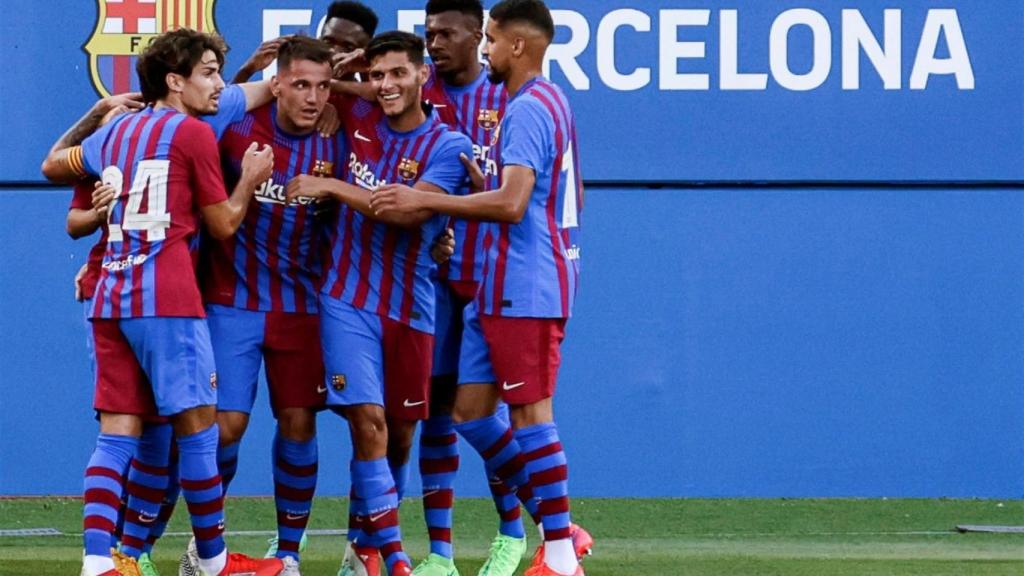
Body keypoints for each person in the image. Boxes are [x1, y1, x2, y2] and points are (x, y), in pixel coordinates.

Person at [41, 28, 283, 576]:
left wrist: (96, 113)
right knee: (198, 430)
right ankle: (214, 561)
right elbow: (223, 224)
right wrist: (249, 179)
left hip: (110, 299)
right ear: (175, 81)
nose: (218, 84)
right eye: (209, 73)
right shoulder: (191, 133)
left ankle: (98, 562)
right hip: (168, 300)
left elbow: (53, 165)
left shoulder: (112, 132)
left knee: (117, 435)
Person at [369, 1, 588, 574]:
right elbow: (562, 194)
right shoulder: (548, 100)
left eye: (490, 39)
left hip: (526, 282)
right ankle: (560, 527)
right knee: (469, 413)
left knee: (531, 414)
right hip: (500, 281)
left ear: (517, 45)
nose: (486, 49)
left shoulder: (527, 109)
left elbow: (513, 204)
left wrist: (426, 199)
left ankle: (559, 553)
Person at [285, 30, 473, 576]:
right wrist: (345, 78)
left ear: (423, 76)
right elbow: (304, 85)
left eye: (397, 74)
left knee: (400, 436)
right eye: (377, 76)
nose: (385, 85)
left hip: (412, 307)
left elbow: (404, 212)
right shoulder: (358, 114)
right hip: (346, 299)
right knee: (368, 423)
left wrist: (333, 188)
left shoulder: (449, 146)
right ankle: (395, 558)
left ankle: (362, 545)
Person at [200, 35, 342, 575]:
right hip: (231, 298)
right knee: (225, 427)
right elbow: (200, 121)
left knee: (299, 423)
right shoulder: (238, 129)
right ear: (276, 84)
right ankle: (208, 546)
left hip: (301, 304)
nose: (312, 97)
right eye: (301, 84)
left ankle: (288, 553)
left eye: (322, 87)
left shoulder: (338, 141)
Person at [412, 2, 526, 575]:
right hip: (431, 281)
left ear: (477, 35)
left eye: (445, 34)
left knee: (482, 414)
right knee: (435, 413)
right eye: (428, 33)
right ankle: (440, 554)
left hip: (488, 278)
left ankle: (513, 534)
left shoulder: (510, 99)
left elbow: (526, 195)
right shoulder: (416, 93)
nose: (434, 43)